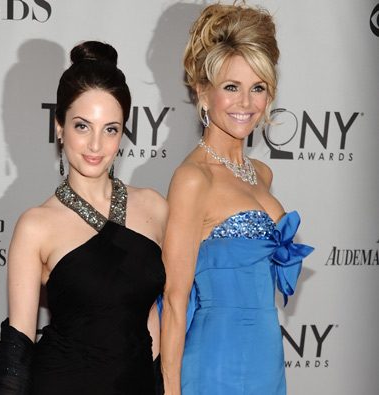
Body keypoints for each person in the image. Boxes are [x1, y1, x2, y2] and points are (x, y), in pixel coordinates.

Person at [0, 40, 168, 395]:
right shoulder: (36, 225)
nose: (96, 146)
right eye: (83, 126)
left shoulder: (154, 208)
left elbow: (150, 317)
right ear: (59, 125)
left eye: (110, 129)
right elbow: (18, 346)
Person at [159, 3, 314, 395]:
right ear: (203, 93)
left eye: (257, 87)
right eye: (232, 87)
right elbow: (175, 302)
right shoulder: (193, 179)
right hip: (216, 361)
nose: (246, 103)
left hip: (266, 358)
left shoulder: (262, 173)